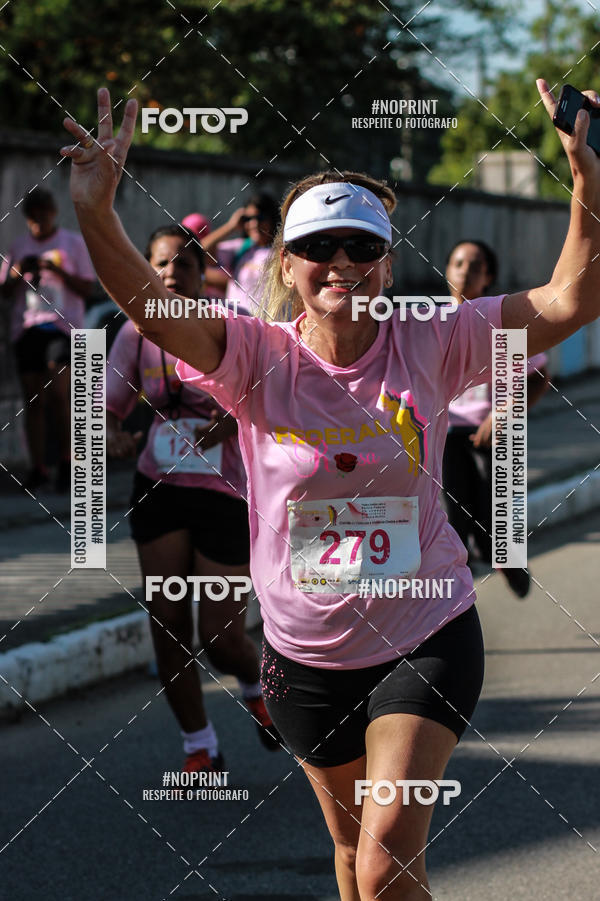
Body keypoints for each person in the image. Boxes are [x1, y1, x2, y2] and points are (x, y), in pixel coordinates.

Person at [62, 81, 600, 899]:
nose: (342, 262)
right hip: (302, 659)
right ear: (288, 263)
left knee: (384, 863)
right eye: (320, 246)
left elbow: (571, 299)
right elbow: (153, 311)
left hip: (424, 635)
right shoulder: (255, 354)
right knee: (350, 861)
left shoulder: (435, 337)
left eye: (361, 245)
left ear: (387, 260)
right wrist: (96, 210)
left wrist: (587, 179)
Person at [105, 224, 281, 773]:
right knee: (167, 626)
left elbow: (272, 395)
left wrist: (230, 423)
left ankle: (256, 686)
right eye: (159, 263)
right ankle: (199, 745)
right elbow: (104, 405)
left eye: (182, 263)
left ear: (203, 274)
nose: (169, 273)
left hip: (225, 493)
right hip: (159, 489)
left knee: (221, 639)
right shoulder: (135, 332)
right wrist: (111, 434)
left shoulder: (233, 325)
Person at [443, 239, 549, 597]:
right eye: (458, 263)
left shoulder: (497, 322)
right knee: (452, 522)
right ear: (446, 270)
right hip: (445, 436)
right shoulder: (428, 323)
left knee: (494, 528)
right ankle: (454, 602)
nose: (464, 272)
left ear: (488, 276)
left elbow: (539, 375)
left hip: (492, 435)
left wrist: (505, 412)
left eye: (475, 266)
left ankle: (507, 560)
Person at [0, 187, 95, 490]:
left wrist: (57, 271)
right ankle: (38, 467)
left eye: (44, 215)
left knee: (58, 394)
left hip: (62, 328)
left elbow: (88, 288)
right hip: (27, 328)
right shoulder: (19, 247)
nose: (39, 222)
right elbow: (5, 291)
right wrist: (19, 272)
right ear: (27, 218)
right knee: (33, 400)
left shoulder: (72, 243)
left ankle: (68, 461)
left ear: (54, 213)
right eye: (33, 217)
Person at [201, 192, 278, 314]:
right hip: (235, 322)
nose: (254, 224)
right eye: (249, 219)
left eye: (260, 218)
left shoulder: (282, 252)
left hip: (268, 323)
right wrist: (231, 226)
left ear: (272, 219)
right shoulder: (241, 247)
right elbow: (200, 252)